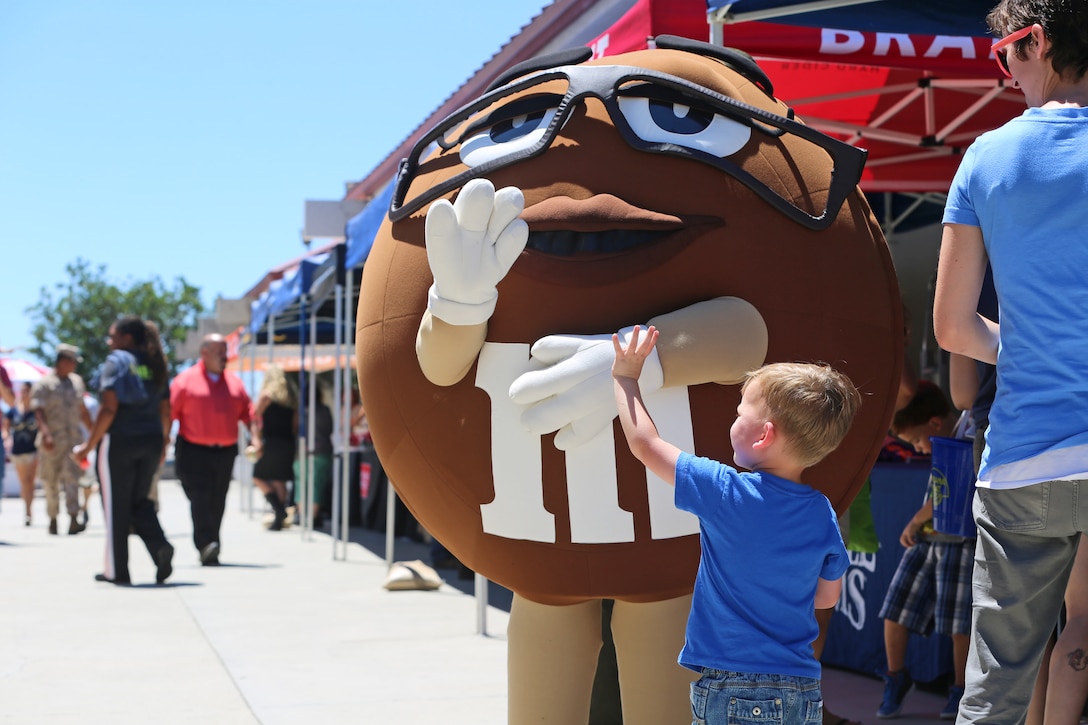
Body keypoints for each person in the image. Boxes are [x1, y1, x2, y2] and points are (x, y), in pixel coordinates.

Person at [931, 1, 1088, 722]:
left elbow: (953, 327)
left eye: (1005, 53)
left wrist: (1015, 344)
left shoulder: (986, 158)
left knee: (995, 689)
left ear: (1041, 42)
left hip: (1026, 457)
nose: (1003, 71)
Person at [611, 325, 858, 725]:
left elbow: (646, 445)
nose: (734, 419)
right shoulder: (821, 512)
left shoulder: (724, 491)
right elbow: (826, 599)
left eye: (740, 411)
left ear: (764, 436)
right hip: (801, 689)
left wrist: (625, 378)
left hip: (731, 688)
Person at [876, 382, 973, 720]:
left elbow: (954, 488)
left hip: (958, 540)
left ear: (934, 424)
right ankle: (896, 677)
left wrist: (914, 521)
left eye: (917, 441)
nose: (918, 450)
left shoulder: (969, 429)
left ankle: (961, 689)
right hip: (929, 540)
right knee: (894, 609)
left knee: (960, 624)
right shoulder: (950, 433)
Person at [72, 317, 174, 586]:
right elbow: (166, 410)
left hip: (121, 440)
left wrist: (88, 446)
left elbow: (109, 408)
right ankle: (159, 545)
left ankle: (117, 571)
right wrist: (163, 443)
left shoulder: (116, 361)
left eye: (112, 335)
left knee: (116, 506)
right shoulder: (155, 363)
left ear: (127, 338)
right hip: (151, 438)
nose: (109, 341)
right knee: (139, 500)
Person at [170, 333, 251, 565]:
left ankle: (211, 543)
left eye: (225, 352)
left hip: (224, 451)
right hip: (193, 450)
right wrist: (163, 441)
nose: (224, 357)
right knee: (200, 497)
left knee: (218, 499)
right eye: (219, 352)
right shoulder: (184, 381)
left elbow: (249, 414)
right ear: (204, 353)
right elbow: (169, 414)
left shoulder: (235, 383)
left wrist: (256, 438)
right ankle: (206, 543)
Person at [30, 343, 92, 535]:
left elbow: (82, 409)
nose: (74, 365)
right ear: (63, 361)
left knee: (73, 478)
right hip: (52, 441)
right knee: (50, 480)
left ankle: (74, 518)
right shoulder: (44, 383)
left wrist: (93, 432)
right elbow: (38, 411)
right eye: (72, 361)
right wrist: (46, 434)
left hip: (73, 440)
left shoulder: (76, 382)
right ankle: (53, 518)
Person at [248, 364, 296, 531]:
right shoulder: (291, 400)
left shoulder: (266, 396)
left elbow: (253, 418)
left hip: (272, 442)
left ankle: (279, 510)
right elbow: (294, 426)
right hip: (287, 443)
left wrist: (256, 439)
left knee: (258, 476)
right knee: (279, 480)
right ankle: (278, 518)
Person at [4, 382, 40, 526]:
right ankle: (26, 508)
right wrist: (7, 438)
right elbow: (5, 428)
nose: (25, 393)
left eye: (28, 391)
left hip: (33, 449)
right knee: (23, 482)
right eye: (23, 390)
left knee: (30, 482)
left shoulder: (37, 411)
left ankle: (28, 512)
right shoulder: (13, 411)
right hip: (18, 450)